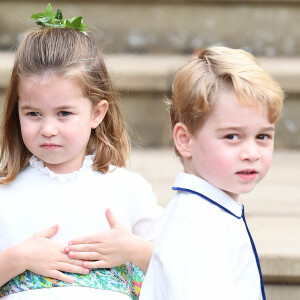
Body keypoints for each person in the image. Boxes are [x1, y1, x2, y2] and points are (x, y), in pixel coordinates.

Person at [0, 4, 163, 300]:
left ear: (97, 114)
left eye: (64, 113)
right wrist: (17, 258)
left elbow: (178, 266)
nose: (48, 129)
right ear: (17, 111)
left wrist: (132, 249)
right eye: (33, 114)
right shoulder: (5, 193)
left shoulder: (128, 188)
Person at [140, 46, 284, 300]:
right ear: (185, 140)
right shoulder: (201, 226)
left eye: (262, 136)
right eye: (232, 136)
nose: (251, 152)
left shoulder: (208, 210)